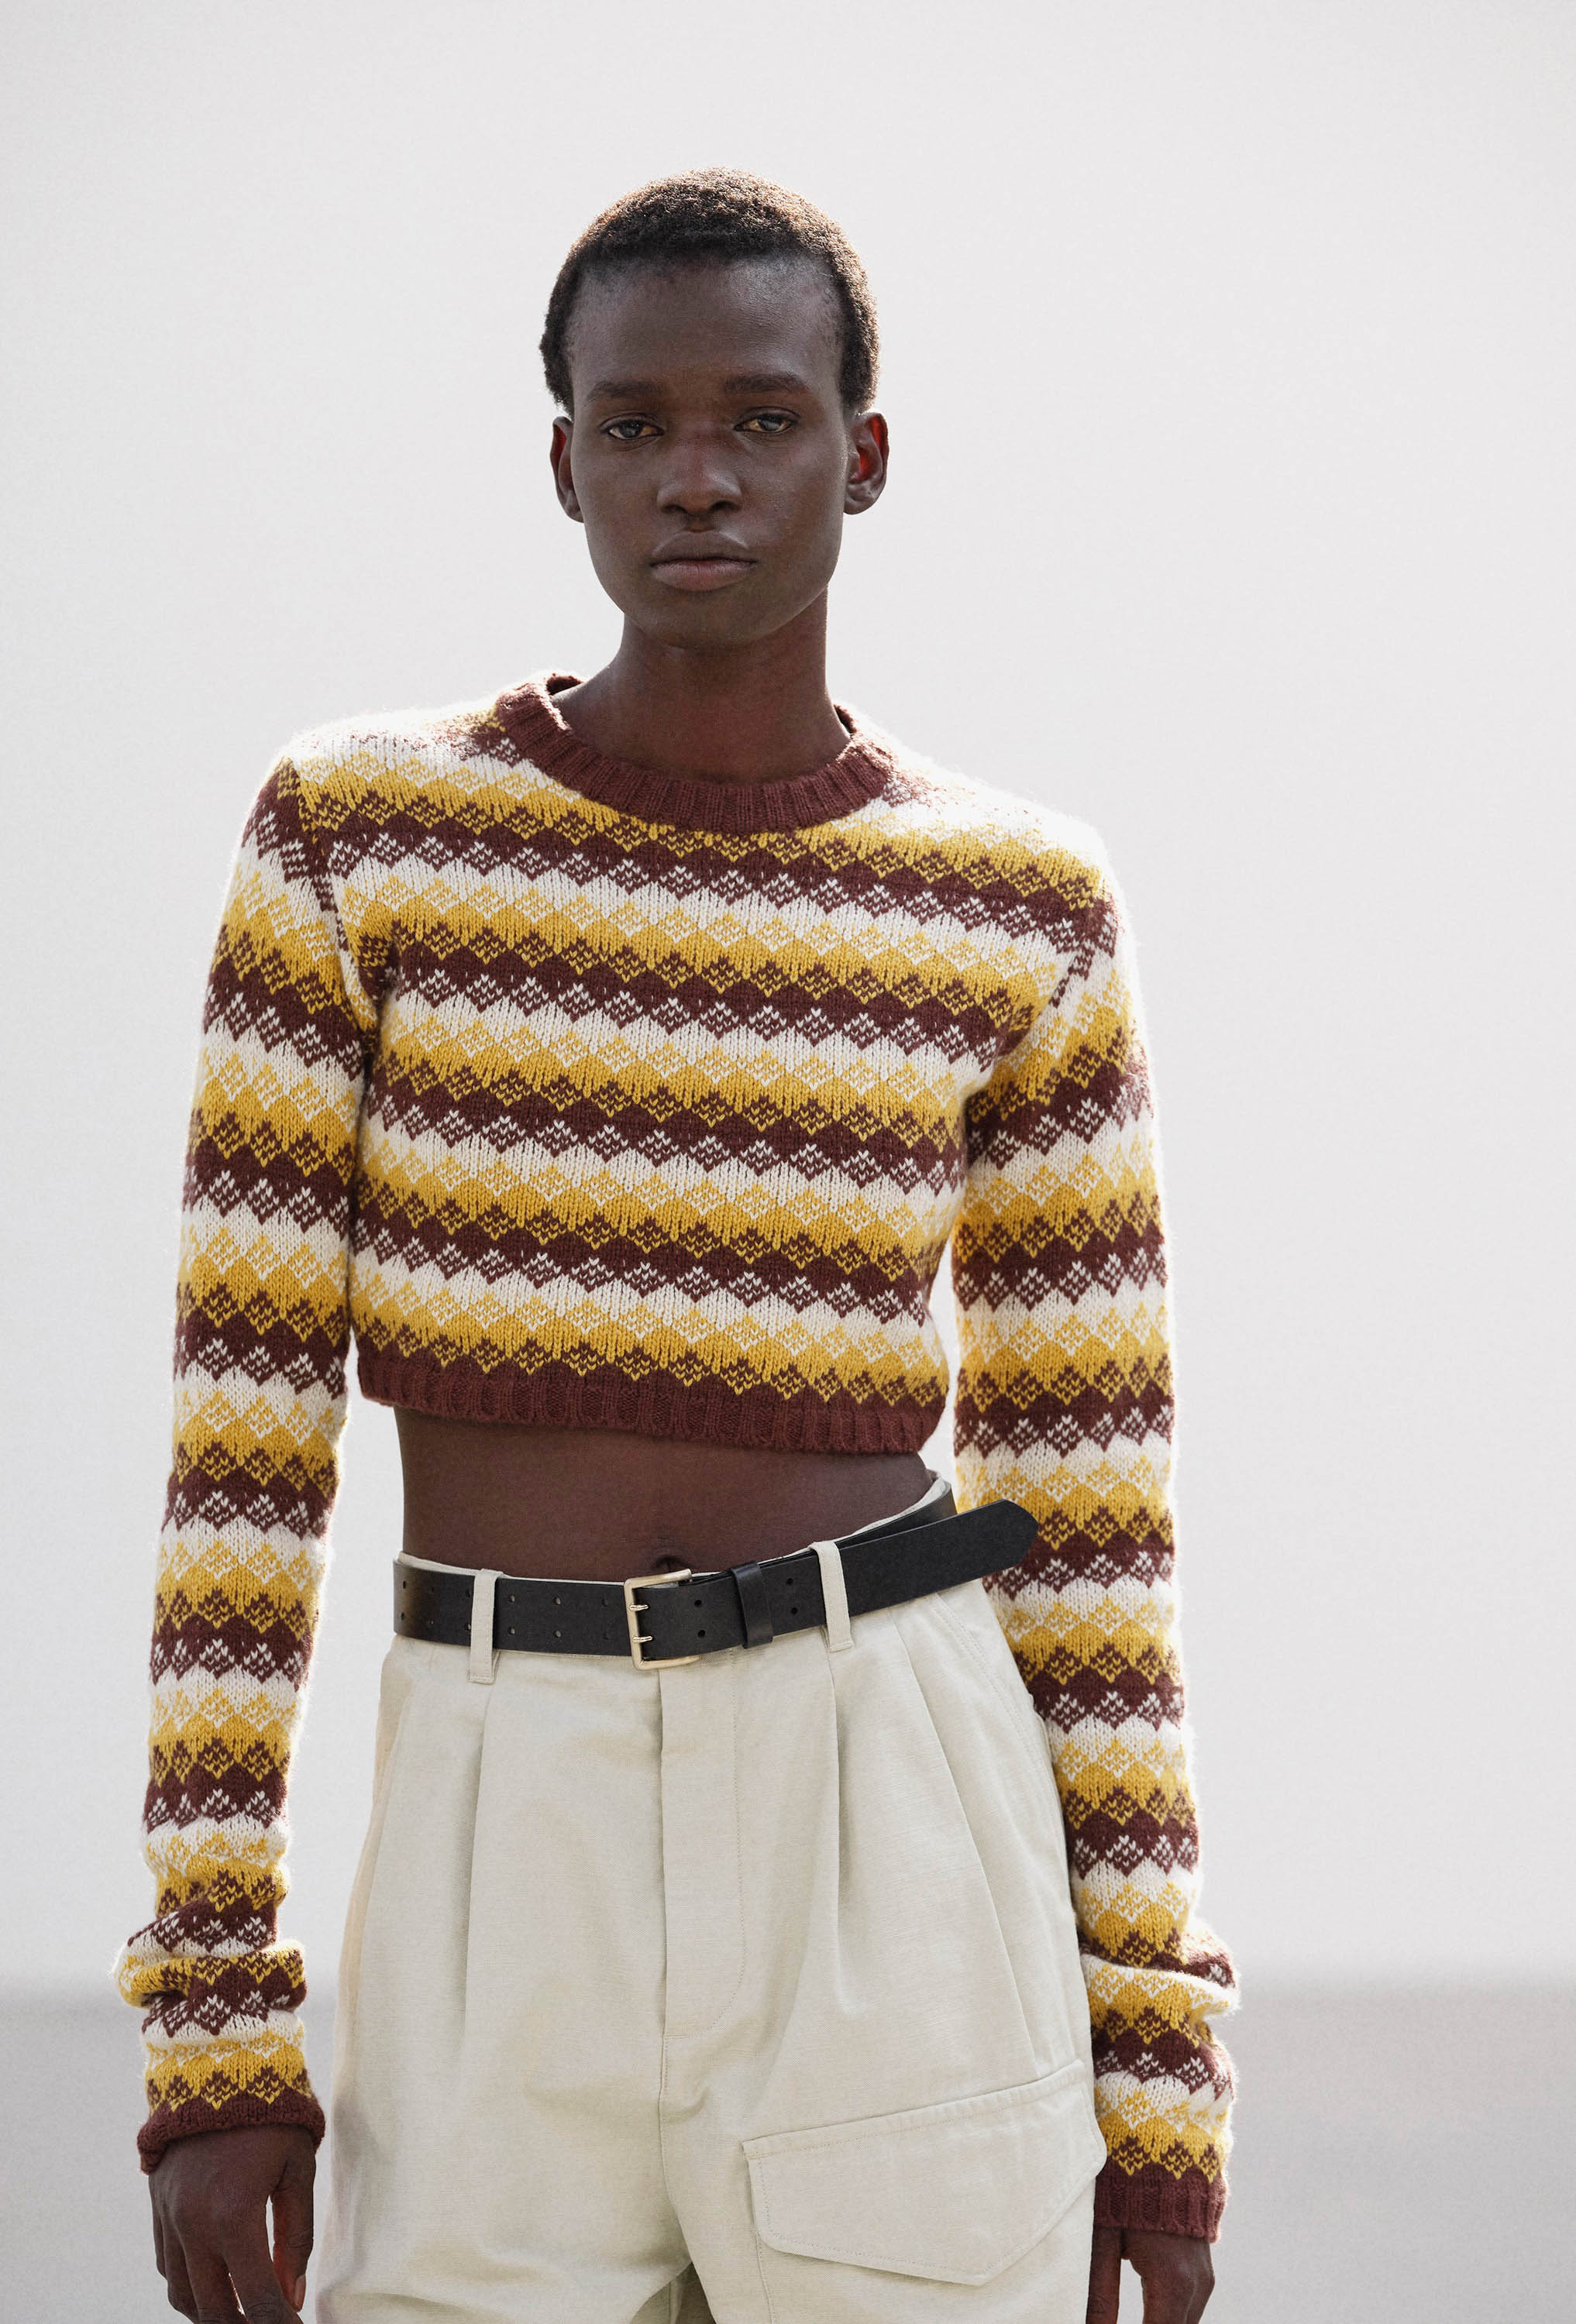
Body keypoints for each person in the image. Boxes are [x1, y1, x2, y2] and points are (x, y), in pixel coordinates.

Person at [119, 170, 1235, 2324]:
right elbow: (238, 1464)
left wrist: (1155, 2053)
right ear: (564, 464)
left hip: (890, 1808)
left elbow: (1092, 1513)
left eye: (761, 418)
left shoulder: (1016, 905)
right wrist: (214, 2011)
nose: (695, 474)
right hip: (495, 1809)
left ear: (863, 455)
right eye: (633, 425)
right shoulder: (357, 841)